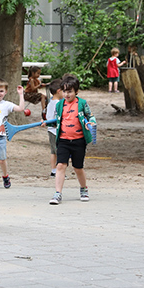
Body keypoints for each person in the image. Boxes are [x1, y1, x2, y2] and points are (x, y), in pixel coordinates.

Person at [48, 75, 96, 205]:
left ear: (76, 91)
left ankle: (83, 188)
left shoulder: (82, 103)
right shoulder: (59, 105)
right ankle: (58, 193)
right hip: (63, 140)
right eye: (64, 91)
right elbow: (57, 121)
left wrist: (90, 123)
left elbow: (90, 116)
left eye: (69, 91)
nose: (66, 94)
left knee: (78, 167)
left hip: (78, 141)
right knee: (60, 165)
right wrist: (47, 123)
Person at [45, 79, 63, 178]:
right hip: (55, 131)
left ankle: (54, 170)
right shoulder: (57, 104)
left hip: (51, 131)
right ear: (59, 91)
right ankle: (58, 171)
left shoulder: (51, 102)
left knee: (54, 152)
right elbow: (54, 119)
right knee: (58, 152)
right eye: (64, 91)